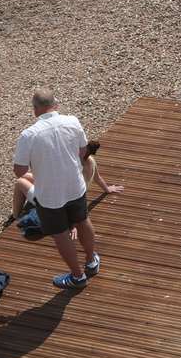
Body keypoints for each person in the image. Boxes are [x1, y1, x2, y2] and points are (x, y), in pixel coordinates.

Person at [11, 90, 102, 290]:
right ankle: (91, 261)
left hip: (50, 195)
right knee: (83, 220)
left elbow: (20, 170)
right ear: (56, 104)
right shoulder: (72, 121)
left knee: (60, 234)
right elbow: (82, 151)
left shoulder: (28, 135)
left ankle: (77, 277)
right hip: (75, 186)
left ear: (35, 109)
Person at [11, 139, 122, 223]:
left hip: (53, 202)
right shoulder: (91, 162)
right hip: (70, 197)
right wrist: (107, 189)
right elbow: (97, 178)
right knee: (27, 176)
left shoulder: (73, 165)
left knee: (20, 182)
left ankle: (16, 216)